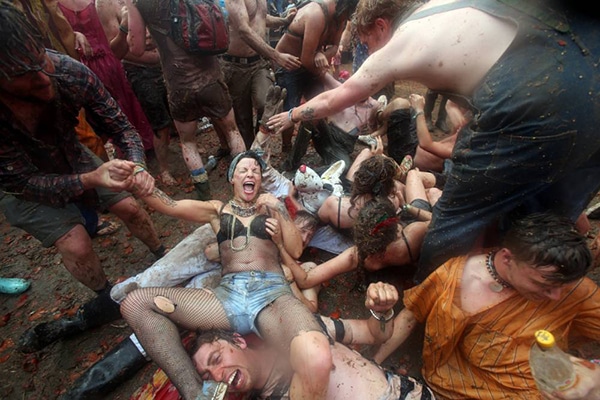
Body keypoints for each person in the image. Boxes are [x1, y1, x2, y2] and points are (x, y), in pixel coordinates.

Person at [268, 0, 600, 281]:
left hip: (541, 93)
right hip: (587, 58)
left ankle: (430, 298)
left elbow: (334, 99)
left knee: (457, 219)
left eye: (366, 43)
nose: (367, 53)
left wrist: (293, 116)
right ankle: (546, 280)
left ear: (381, 25)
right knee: (554, 209)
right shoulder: (440, 7)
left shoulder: (404, 39)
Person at [0, 1, 165, 353]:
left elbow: (122, 128)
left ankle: (161, 252)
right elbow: (24, 183)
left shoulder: (68, 71)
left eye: (40, 60)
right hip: (23, 184)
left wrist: (135, 166)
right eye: (27, 74)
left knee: (131, 208)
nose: (44, 77)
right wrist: (91, 180)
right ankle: (106, 298)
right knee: (75, 243)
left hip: (71, 154)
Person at [114, 151, 332, 400]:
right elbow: (170, 206)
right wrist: (140, 185)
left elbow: (295, 250)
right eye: (243, 170)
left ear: (260, 180)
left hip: (272, 294)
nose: (250, 173)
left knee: (313, 355)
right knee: (135, 304)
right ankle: (195, 392)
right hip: (227, 297)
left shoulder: (271, 208)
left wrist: (279, 209)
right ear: (233, 179)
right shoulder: (217, 210)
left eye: (255, 171)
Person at [373, 213, 600, 399]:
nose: (556, 296)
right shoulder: (452, 278)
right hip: (460, 389)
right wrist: (374, 362)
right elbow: (411, 316)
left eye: (562, 285)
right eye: (544, 285)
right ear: (507, 258)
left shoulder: (574, 290)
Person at [190, 278, 435, 400]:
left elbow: (374, 334)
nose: (218, 375)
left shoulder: (298, 331)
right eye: (208, 376)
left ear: (239, 341)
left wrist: (381, 311)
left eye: (216, 358)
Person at [126, 0, 246, 200]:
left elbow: (136, 49)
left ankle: (205, 198)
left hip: (179, 87)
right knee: (232, 131)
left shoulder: (142, 3)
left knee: (188, 142)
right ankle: (243, 189)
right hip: (212, 80)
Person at [57, 0, 155, 151]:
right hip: (82, 67)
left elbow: (117, 37)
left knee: (124, 105)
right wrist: (74, 35)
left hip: (109, 61)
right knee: (101, 117)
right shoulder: (50, 6)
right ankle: (122, 152)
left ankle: (141, 148)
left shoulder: (101, 3)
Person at [274, 0, 358, 153]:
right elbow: (306, 58)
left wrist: (321, 54)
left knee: (318, 104)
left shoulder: (340, 19)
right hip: (289, 64)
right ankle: (287, 148)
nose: (348, 18)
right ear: (343, 7)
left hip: (309, 65)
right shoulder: (316, 14)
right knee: (290, 107)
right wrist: (324, 75)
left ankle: (306, 146)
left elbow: (334, 48)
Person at [221, 0, 300, 150]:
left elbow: (262, 17)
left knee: (266, 103)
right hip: (235, 65)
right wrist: (276, 55)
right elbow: (243, 30)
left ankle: (259, 145)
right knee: (242, 118)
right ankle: (249, 155)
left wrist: (284, 20)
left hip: (258, 62)